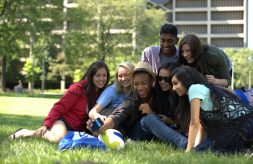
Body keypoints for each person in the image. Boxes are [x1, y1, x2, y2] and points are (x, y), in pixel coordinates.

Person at [9, 61, 110, 143]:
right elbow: (59, 107)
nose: (101, 79)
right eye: (98, 76)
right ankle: (25, 133)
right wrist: (46, 124)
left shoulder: (104, 94)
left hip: (79, 128)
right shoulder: (78, 88)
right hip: (63, 122)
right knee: (58, 140)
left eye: (104, 75)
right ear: (91, 76)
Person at [170, 65, 253, 153]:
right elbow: (202, 127)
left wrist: (188, 150)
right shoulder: (202, 89)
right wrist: (195, 148)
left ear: (185, 80)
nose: (173, 88)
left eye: (176, 83)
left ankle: (244, 150)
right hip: (240, 126)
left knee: (205, 152)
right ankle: (244, 149)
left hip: (243, 126)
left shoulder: (194, 89)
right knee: (199, 151)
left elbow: (194, 124)